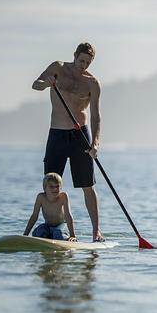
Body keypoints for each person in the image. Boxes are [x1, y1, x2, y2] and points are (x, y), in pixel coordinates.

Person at [32, 42, 104, 242]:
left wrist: (95, 143)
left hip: (80, 136)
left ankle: (96, 231)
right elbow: (35, 85)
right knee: (50, 185)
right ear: (74, 55)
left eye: (88, 63)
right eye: (81, 61)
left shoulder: (92, 83)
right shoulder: (58, 68)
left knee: (88, 185)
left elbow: (96, 116)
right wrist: (46, 82)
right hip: (57, 134)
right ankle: (53, 227)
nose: (83, 66)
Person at [24, 173, 77, 241]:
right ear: (44, 188)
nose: (54, 189)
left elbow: (68, 215)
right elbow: (34, 216)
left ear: (61, 187)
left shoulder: (63, 196)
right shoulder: (41, 197)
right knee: (40, 232)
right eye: (51, 186)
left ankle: (64, 238)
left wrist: (73, 235)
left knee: (58, 233)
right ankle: (49, 237)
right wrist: (25, 235)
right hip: (48, 226)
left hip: (61, 226)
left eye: (57, 186)